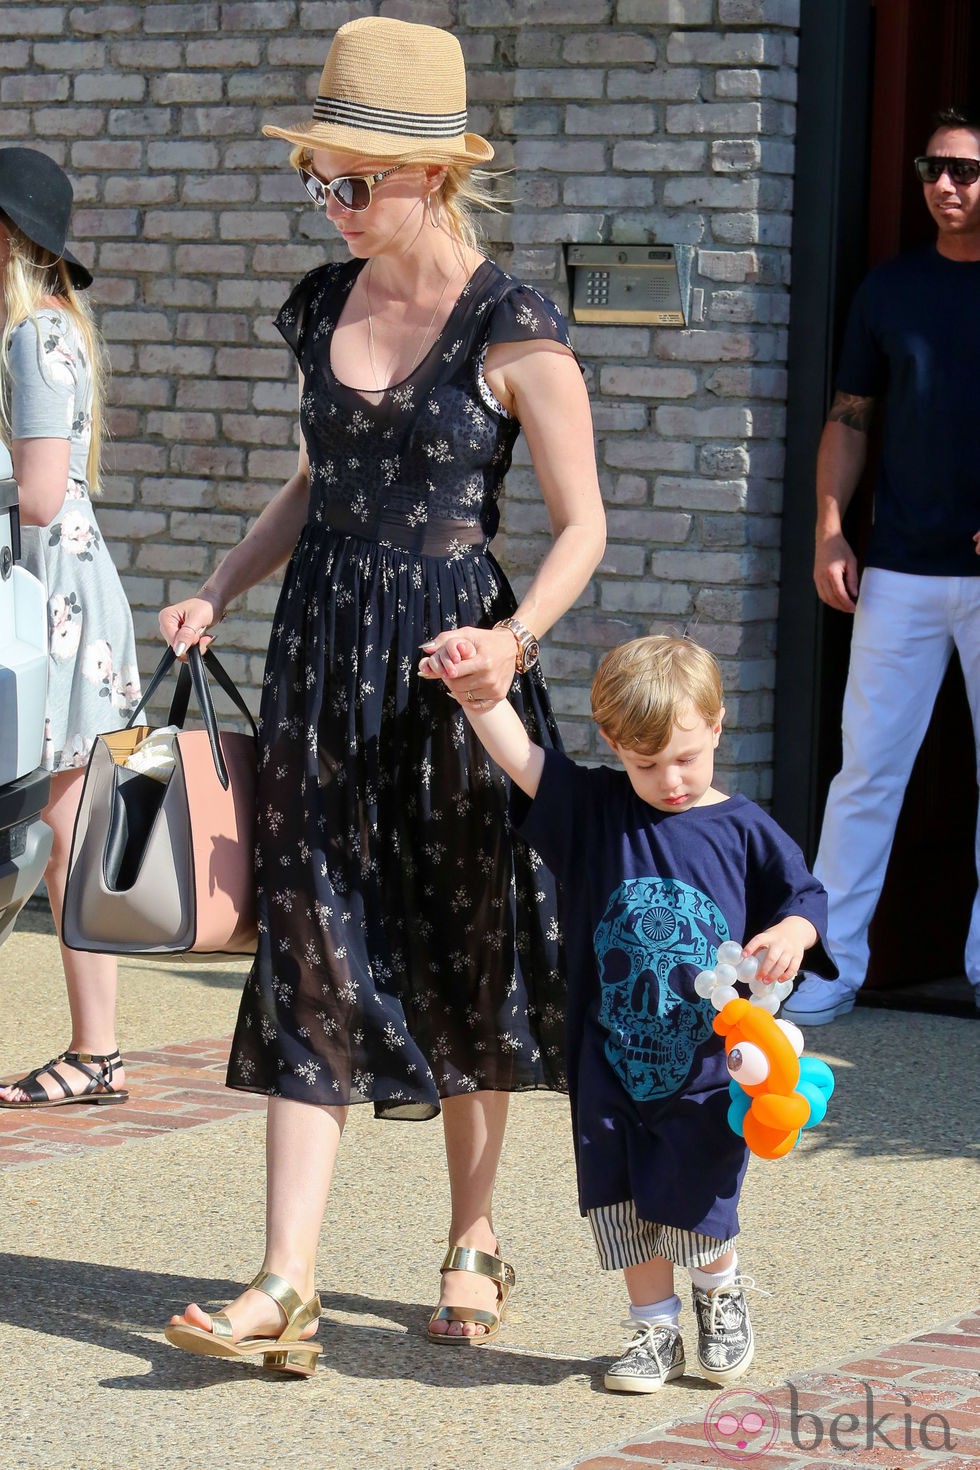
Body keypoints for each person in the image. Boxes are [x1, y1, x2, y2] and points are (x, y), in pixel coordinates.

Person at [159, 15, 606, 1373]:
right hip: (316, 653)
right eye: (320, 181)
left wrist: (514, 645)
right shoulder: (319, 303)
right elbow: (319, 477)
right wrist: (224, 585)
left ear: (431, 177)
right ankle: (285, 1280)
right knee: (307, 937)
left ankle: (473, 1237)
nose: (333, 205)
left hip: (448, 668)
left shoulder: (511, 320)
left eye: (353, 182)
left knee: (461, 941)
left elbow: (583, 523)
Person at [422, 633, 834, 1391]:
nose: (670, 781)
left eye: (686, 759)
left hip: (710, 1067)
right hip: (607, 1058)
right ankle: (653, 1330)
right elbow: (522, 758)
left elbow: (805, 897)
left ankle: (719, 1289)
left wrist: (792, 932)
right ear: (613, 744)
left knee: (698, 1195)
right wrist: (479, 693)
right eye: (646, 765)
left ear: (716, 726)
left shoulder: (744, 828)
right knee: (620, 1204)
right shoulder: (597, 812)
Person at [783, 107, 980, 1027]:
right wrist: (830, 528)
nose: (948, 185)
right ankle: (829, 968)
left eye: (966, 171)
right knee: (866, 773)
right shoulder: (890, 290)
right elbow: (850, 414)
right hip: (897, 568)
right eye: (934, 168)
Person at [0, 148, 140, 1111]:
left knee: (58, 828)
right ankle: (99, 1052)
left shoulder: (26, 341)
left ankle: (99, 1052)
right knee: (64, 829)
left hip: (46, 602)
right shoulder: (59, 332)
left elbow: (40, 497)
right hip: (69, 597)